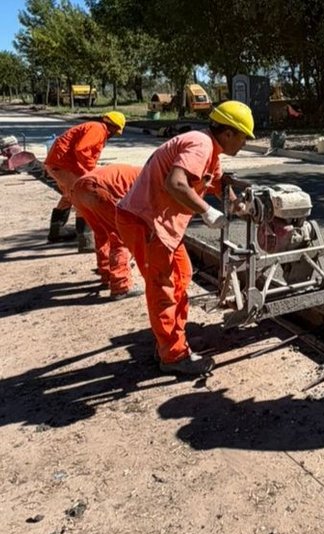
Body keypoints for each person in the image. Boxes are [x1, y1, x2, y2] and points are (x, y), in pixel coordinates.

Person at [116, 100, 255, 376]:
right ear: (228, 133)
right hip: (147, 223)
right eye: (243, 137)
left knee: (182, 275)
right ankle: (172, 355)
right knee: (164, 287)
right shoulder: (200, 144)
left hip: (160, 225)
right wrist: (207, 212)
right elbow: (176, 182)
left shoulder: (210, 151)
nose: (244, 144)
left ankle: (171, 342)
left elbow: (216, 184)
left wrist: (242, 206)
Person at [44, 112, 126, 249]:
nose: (113, 135)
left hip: (59, 164)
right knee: (82, 197)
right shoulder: (98, 129)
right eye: (115, 131)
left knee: (69, 196)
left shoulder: (95, 128)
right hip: (64, 165)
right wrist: (93, 172)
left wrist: (92, 169)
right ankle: (86, 240)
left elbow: (85, 153)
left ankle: (56, 231)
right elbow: (81, 150)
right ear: (112, 126)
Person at [70, 164, 142, 299]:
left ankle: (106, 273)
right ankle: (121, 286)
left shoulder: (136, 172)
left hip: (78, 190)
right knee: (121, 236)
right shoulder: (146, 179)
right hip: (96, 188)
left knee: (101, 233)